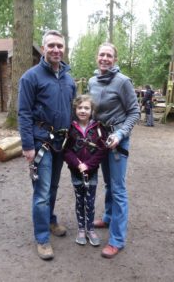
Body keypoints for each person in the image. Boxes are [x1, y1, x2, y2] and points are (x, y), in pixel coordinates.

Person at [18, 30, 76, 260]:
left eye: (59, 46)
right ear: (43, 49)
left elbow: (72, 110)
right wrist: (27, 145)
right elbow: (23, 113)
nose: (56, 50)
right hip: (41, 142)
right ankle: (42, 238)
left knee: (52, 188)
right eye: (51, 45)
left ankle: (50, 221)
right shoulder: (30, 77)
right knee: (41, 193)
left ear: (64, 49)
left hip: (61, 142)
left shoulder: (69, 79)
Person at [88, 42, 140, 258]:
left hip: (118, 141)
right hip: (101, 140)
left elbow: (134, 112)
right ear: (97, 57)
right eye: (102, 55)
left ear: (115, 59)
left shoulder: (122, 82)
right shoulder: (92, 81)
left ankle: (117, 239)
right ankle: (108, 217)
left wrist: (120, 134)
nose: (105, 59)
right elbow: (91, 111)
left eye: (109, 55)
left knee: (118, 189)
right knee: (108, 183)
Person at [64, 94, 107, 247]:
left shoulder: (98, 128)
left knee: (90, 201)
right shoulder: (69, 128)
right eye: (80, 107)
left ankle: (90, 229)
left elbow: (102, 150)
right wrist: (77, 164)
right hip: (76, 172)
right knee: (79, 200)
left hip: (92, 172)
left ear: (92, 110)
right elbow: (66, 150)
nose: (83, 111)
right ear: (75, 109)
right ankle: (81, 229)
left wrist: (88, 165)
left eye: (86, 108)